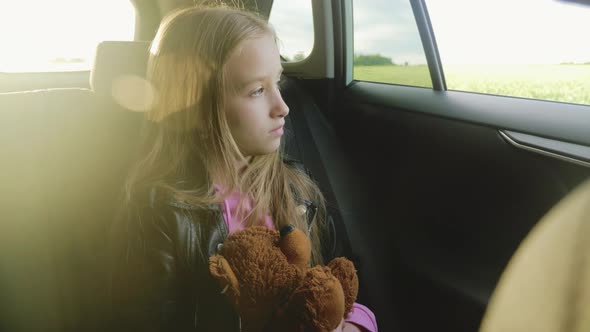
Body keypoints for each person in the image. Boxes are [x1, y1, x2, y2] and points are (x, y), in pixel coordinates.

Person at [107, 5, 377, 332]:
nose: (283, 107)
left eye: (277, 83)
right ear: (196, 108)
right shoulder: (158, 213)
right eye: (257, 91)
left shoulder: (294, 188)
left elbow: (339, 283)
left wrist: (354, 325)